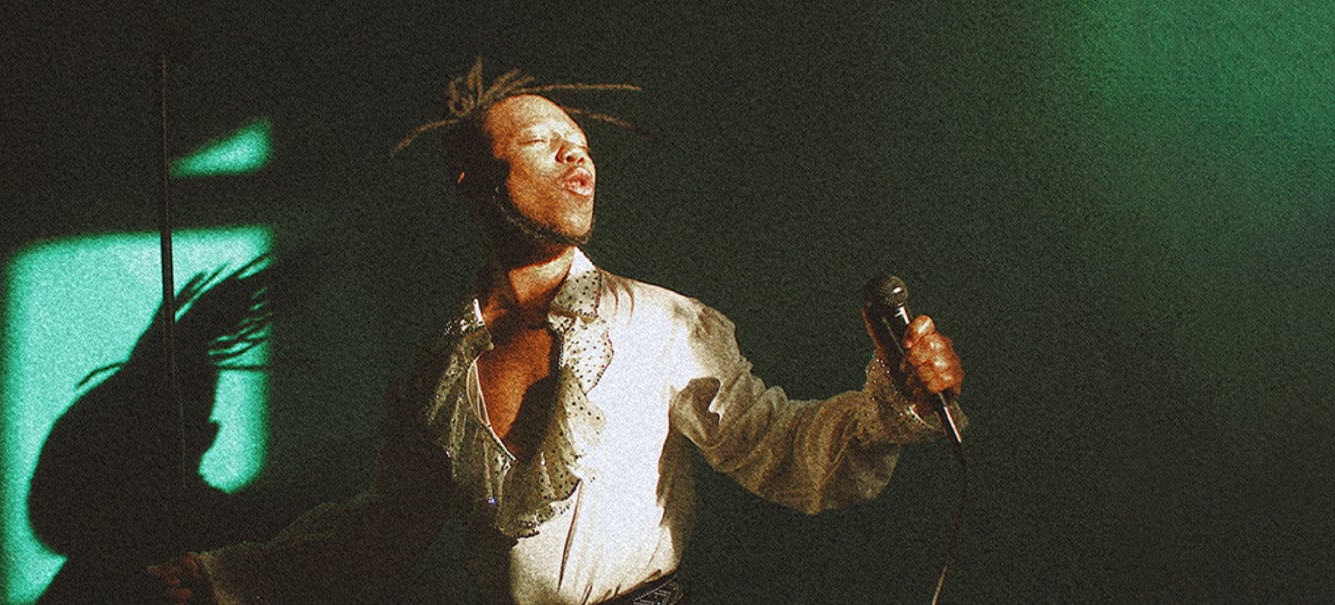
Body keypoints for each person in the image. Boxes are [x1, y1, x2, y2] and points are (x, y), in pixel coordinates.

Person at [150, 60, 966, 605]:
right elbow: (383, 531)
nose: (580, 161)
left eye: (583, 147)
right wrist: (226, 578)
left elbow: (779, 446)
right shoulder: (436, 370)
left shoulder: (660, 322)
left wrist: (892, 402)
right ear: (474, 177)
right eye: (545, 145)